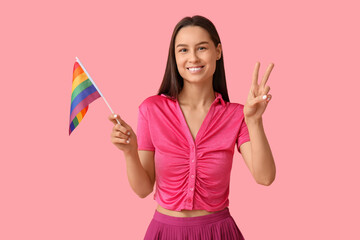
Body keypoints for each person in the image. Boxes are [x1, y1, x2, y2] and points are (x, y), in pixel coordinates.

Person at [109, 15, 276, 240]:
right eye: (183, 50)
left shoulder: (237, 115)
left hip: (218, 233)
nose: (193, 58)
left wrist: (254, 121)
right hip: (165, 232)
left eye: (202, 48)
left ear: (217, 51)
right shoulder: (151, 109)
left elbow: (265, 177)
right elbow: (143, 189)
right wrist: (129, 152)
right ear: (174, 57)